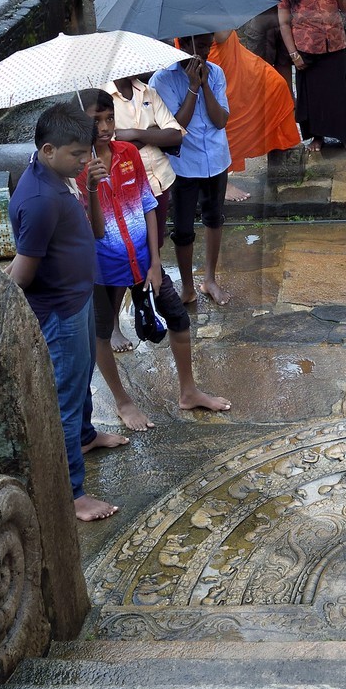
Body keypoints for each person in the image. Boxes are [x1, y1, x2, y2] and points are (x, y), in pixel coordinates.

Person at [79, 91, 231, 430]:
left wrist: (153, 262)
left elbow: (148, 206)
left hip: (142, 258)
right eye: (95, 121)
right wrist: (90, 187)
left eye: (109, 119)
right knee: (101, 333)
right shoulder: (79, 170)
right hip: (102, 268)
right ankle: (122, 400)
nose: (104, 127)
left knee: (178, 318)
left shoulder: (129, 153)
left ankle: (188, 390)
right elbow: (91, 229)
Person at [7, 101, 125, 522]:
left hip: (78, 295)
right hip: (59, 309)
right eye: (76, 154)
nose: (83, 161)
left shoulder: (61, 179)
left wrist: (92, 187)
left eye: (85, 152)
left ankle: (87, 437)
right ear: (47, 149)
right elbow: (21, 273)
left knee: (81, 378)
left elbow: (94, 232)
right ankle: (72, 493)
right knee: (66, 396)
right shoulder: (39, 199)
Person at [181, 0, 302, 192]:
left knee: (276, 86)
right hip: (213, 59)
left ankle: (280, 155)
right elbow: (222, 34)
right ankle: (225, 179)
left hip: (235, 55)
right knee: (226, 115)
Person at [150, 33, 233, 306]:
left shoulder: (216, 73)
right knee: (183, 228)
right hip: (184, 163)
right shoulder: (163, 79)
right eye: (200, 46)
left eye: (209, 46)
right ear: (183, 45)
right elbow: (176, 128)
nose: (206, 52)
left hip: (216, 157)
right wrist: (193, 87)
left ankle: (210, 278)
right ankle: (188, 286)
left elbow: (220, 120)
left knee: (214, 218)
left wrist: (206, 85)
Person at [103, 73, 182, 353]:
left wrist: (136, 135)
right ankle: (112, 323)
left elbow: (174, 133)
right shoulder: (104, 98)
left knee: (150, 249)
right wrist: (153, 136)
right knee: (123, 254)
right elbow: (110, 145)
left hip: (158, 180)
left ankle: (144, 306)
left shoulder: (148, 92)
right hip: (124, 189)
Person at [278, 0, 346, 152]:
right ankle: (316, 138)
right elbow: (283, 23)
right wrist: (293, 54)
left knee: (337, 93)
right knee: (311, 97)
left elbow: (345, 7)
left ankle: (344, 137)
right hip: (306, 48)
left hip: (334, 44)